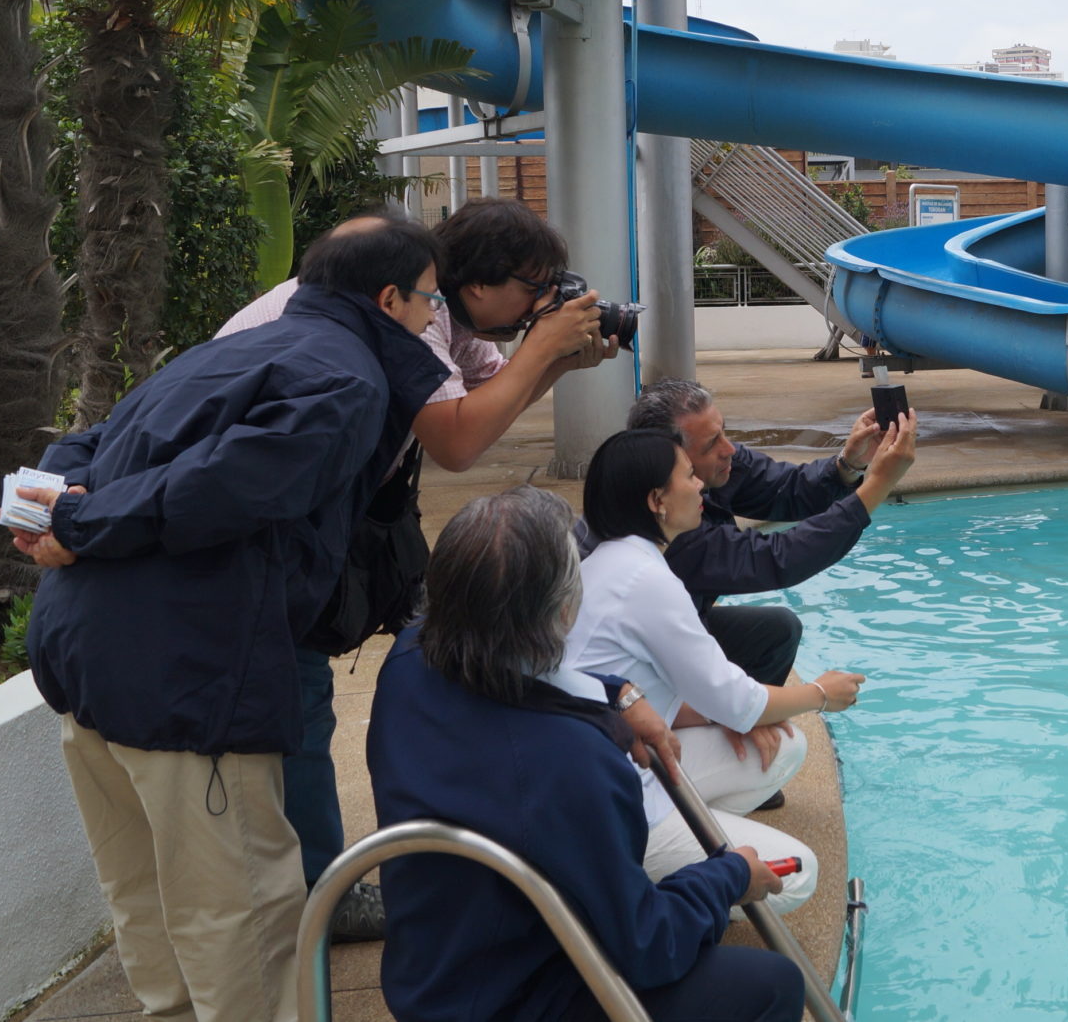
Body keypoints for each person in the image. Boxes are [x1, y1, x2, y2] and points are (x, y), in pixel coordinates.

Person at [6, 215, 453, 1022]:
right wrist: (75, 524)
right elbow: (224, 488)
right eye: (430, 300)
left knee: (148, 910)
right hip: (191, 684)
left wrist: (48, 506)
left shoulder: (232, 348)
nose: (433, 318)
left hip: (87, 668)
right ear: (390, 298)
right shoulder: (349, 379)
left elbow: (92, 441)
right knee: (242, 930)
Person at [218, 198, 617, 938]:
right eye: (532, 286)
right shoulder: (414, 314)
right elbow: (456, 440)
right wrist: (543, 346)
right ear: (470, 283)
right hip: (266, 522)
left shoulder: (440, 309)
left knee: (436, 643)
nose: (540, 301)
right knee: (303, 692)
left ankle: (453, 824)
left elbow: (489, 399)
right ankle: (323, 891)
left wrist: (555, 355)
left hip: (329, 509)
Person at [369, 484, 803, 1022]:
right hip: (515, 998)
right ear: (566, 610)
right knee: (773, 984)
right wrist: (730, 876)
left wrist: (614, 691)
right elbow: (646, 947)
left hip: (431, 971)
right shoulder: (569, 761)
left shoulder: (408, 663)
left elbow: (517, 678)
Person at [570, 429, 869, 916]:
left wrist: (729, 716)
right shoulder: (648, 581)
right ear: (656, 501)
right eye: (689, 476)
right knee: (798, 872)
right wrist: (820, 693)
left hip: (617, 766)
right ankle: (641, 901)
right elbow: (740, 701)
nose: (701, 488)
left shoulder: (612, 562)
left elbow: (668, 696)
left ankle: (696, 842)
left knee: (785, 747)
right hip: (615, 809)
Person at [608, 378, 918, 687]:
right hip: (637, 670)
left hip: (679, 628)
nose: (729, 449)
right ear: (665, 467)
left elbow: (785, 488)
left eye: (723, 432)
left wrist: (848, 464)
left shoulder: (704, 468)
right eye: (711, 444)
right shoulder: (664, 529)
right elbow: (777, 558)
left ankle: (743, 727)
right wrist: (878, 485)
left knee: (776, 631)